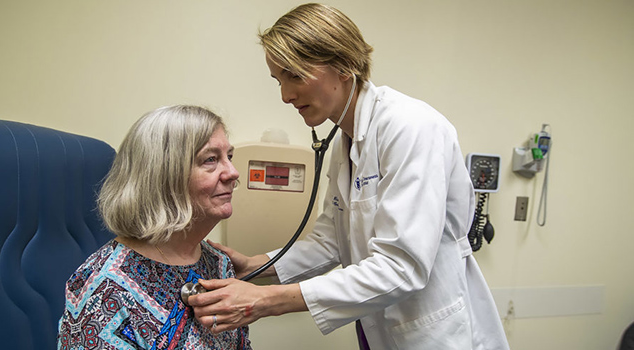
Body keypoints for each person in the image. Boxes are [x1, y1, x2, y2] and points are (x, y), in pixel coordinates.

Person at [188, 4, 509, 350]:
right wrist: (258, 264)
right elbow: (330, 242)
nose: (285, 95)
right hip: (380, 330)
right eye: (278, 79)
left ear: (343, 66)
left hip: (432, 333)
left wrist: (267, 301)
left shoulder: (411, 128)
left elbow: (403, 266)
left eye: (294, 75)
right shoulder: (345, 143)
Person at [57, 105, 251, 349]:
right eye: (210, 160)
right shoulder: (104, 289)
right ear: (164, 175)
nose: (233, 173)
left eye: (229, 157)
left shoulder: (218, 264)